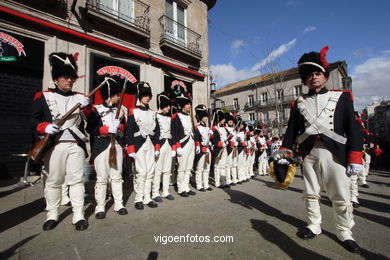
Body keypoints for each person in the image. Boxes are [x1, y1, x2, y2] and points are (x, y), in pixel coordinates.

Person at [281, 46, 364, 253]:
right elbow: (291, 130)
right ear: (304, 80)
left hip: (335, 153)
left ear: (324, 76)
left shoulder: (342, 97)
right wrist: (283, 152)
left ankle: (344, 231)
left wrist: (355, 157)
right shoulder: (298, 103)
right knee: (311, 193)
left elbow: (352, 129)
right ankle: (314, 224)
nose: (313, 78)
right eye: (309, 75)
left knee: (341, 195)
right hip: (309, 153)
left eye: (317, 73)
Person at [30, 52, 90, 231]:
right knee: (54, 181)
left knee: (77, 181)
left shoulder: (80, 98)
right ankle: (52, 214)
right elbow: (32, 120)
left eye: (71, 77)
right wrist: (44, 127)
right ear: (56, 79)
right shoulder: (43, 97)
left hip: (75, 145)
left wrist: (87, 110)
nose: (69, 80)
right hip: (54, 146)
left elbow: (92, 122)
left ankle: (79, 215)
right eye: (65, 77)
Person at [87, 76, 128, 219]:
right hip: (101, 145)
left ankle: (118, 203)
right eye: (117, 95)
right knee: (101, 178)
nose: (119, 98)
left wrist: (119, 127)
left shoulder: (122, 110)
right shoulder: (96, 109)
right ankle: (100, 206)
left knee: (116, 176)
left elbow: (125, 130)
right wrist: (106, 129)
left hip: (116, 145)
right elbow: (90, 130)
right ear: (111, 95)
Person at [127, 82, 160, 210]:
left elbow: (157, 132)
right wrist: (131, 148)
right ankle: (139, 198)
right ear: (140, 96)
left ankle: (147, 197)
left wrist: (157, 147)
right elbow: (129, 131)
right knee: (141, 172)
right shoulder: (133, 111)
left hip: (150, 144)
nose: (147, 98)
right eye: (145, 95)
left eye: (148, 95)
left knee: (150, 172)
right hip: (138, 145)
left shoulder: (153, 113)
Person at [171, 89, 196, 197]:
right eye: (187, 104)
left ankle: (186, 186)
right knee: (182, 167)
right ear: (182, 105)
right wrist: (177, 146)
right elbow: (174, 133)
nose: (189, 105)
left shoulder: (189, 117)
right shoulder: (176, 116)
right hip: (183, 144)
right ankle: (181, 188)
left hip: (191, 143)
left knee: (189, 167)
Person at [152, 92, 176, 202]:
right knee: (158, 170)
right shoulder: (155, 116)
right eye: (167, 105)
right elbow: (154, 133)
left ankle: (165, 191)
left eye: (169, 105)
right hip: (160, 146)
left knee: (167, 170)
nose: (169, 107)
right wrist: (156, 147)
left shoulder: (170, 118)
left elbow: (173, 133)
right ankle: (155, 192)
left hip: (168, 145)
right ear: (162, 105)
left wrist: (174, 148)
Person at [193, 104, 213, 191]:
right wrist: (200, 147)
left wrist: (211, 140)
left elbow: (209, 139)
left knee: (207, 168)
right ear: (200, 117)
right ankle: (199, 185)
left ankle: (206, 184)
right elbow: (197, 138)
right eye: (204, 116)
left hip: (208, 148)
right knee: (200, 168)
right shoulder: (197, 127)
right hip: (201, 149)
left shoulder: (208, 127)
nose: (206, 118)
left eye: (206, 116)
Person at [211, 109, 229, 188]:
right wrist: (220, 143)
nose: (224, 120)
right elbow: (213, 140)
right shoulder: (214, 128)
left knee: (223, 165)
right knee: (217, 166)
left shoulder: (225, 128)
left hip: (224, 149)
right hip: (218, 149)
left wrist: (227, 142)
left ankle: (223, 182)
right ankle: (217, 182)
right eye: (223, 119)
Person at [225, 112, 238, 185]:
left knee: (234, 164)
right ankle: (228, 179)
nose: (231, 121)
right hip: (228, 148)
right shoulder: (225, 128)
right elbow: (225, 139)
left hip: (234, 148)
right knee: (228, 164)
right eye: (229, 120)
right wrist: (231, 142)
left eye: (232, 120)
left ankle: (234, 178)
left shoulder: (234, 129)